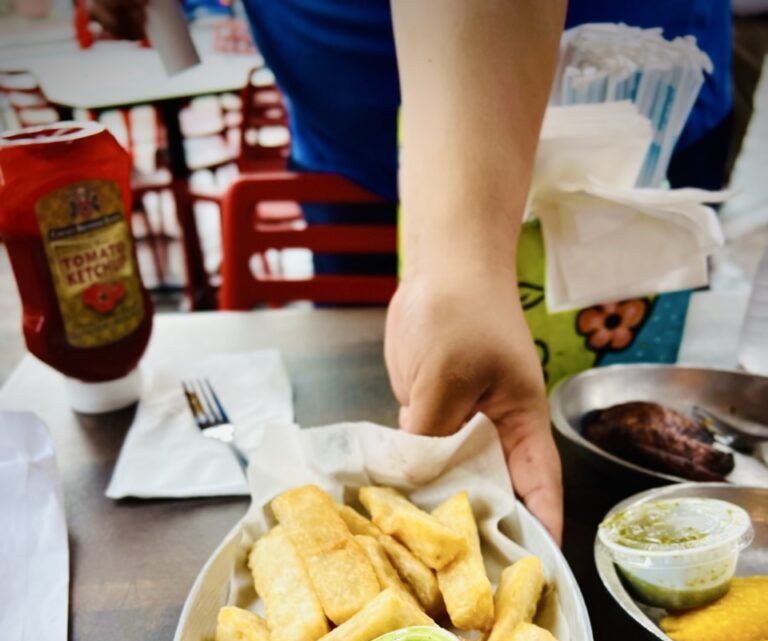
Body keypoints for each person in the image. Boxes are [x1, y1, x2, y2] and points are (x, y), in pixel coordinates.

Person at [90, 0, 732, 545]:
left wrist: (462, 266)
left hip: (635, 115)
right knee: (413, 380)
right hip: (346, 131)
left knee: (613, 423)